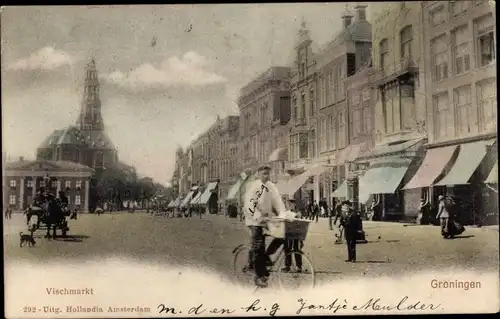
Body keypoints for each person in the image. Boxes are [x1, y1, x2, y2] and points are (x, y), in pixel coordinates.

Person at [244, 165, 287, 288]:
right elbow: (249, 205)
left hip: (267, 220)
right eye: (263, 174)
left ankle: (266, 258)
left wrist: (283, 215)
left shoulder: (271, 186)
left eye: (268, 174)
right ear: (258, 174)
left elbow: (278, 202)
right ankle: (258, 276)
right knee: (258, 246)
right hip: (255, 221)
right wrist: (258, 216)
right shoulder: (254, 187)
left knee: (281, 236)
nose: (266, 176)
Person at [281, 199, 303, 273]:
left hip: (296, 233)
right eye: (289, 203)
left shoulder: (298, 213)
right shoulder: (286, 213)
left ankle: (299, 266)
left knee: (296, 249)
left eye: (292, 203)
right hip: (288, 233)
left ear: (295, 204)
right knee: (287, 249)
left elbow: (300, 222)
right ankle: (287, 266)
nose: (290, 205)